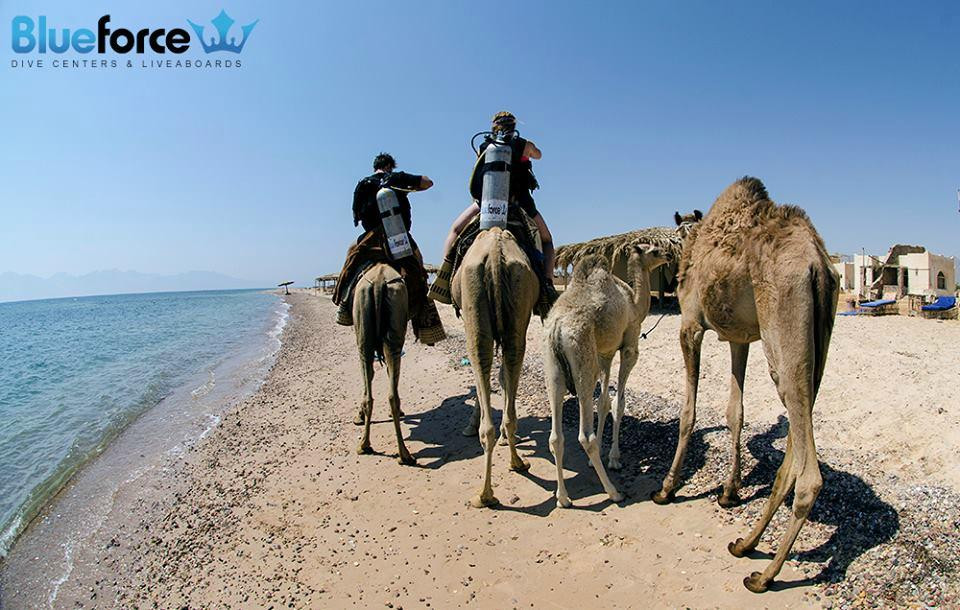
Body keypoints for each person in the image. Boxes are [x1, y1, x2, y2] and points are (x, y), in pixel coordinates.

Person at [429, 112, 555, 304]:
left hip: (486, 203)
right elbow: (539, 155)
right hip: (520, 202)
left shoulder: (485, 145)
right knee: (547, 240)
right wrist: (527, 149)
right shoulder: (524, 145)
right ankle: (547, 284)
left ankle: (444, 279)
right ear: (514, 126)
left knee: (455, 230)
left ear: (493, 127)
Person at [333, 152, 445, 345]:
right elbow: (428, 183)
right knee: (419, 267)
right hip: (399, 237)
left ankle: (343, 304)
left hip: (370, 238)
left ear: (374, 166)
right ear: (390, 166)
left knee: (349, 260)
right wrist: (407, 185)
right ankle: (426, 320)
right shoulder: (397, 178)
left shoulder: (363, 184)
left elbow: (356, 217)